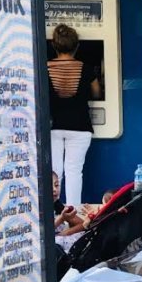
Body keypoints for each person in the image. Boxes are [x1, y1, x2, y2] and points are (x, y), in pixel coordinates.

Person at [48, 23, 103, 207]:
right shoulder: (86, 69)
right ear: (77, 46)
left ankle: (55, 212)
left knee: (54, 172)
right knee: (74, 171)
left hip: (53, 126)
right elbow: (97, 93)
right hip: (80, 126)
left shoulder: (44, 68)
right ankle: (73, 213)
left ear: (53, 45)